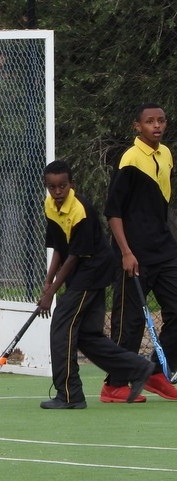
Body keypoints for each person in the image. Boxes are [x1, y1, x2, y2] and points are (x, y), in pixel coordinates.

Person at [37, 160, 153, 409]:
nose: (57, 192)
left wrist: (52, 294)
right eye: (52, 187)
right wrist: (47, 282)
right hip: (81, 269)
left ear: (72, 185)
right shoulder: (50, 206)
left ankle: (69, 395)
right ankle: (139, 367)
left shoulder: (81, 211)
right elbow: (60, 246)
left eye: (63, 186)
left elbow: (74, 256)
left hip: (92, 270)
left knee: (62, 326)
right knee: (88, 337)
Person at [101, 103, 177, 402]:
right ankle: (114, 385)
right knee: (129, 321)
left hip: (164, 249)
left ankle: (157, 372)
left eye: (161, 121)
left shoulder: (167, 154)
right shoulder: (130, 160)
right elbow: (114, 212)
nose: (156, 126)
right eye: (149, 122)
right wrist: (126, 252)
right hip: (132, 254)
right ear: (138, 126)